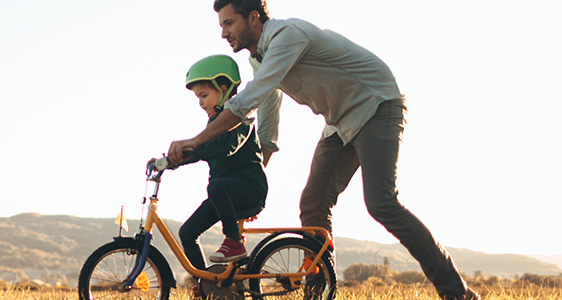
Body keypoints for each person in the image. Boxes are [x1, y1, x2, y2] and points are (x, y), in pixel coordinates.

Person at [165, 1, 479, 299]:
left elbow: (249, 98)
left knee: (381, 202)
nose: (223, 32)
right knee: (313, 204)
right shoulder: (259, 58)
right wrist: (260, 164)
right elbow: (267, 104)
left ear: (254, 18)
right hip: (339, 124)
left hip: (377, 105)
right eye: (221, 25)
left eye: (229, 22)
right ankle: (319, 291)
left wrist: (196, 140)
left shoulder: (288, 36)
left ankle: (455, 290)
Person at [153, 54, 267, 270]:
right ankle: (204, 285)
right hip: (223, 193)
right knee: (187, 233)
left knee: (215, 186)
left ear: (223, 89)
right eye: (198, 97)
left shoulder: (241, 117)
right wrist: (167, 162)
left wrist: (194, 147)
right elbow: (203, 150)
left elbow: (225, 147)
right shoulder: (214, 122)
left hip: (249, 188)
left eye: (204, 95)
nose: (200, 102)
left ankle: (234, 242)